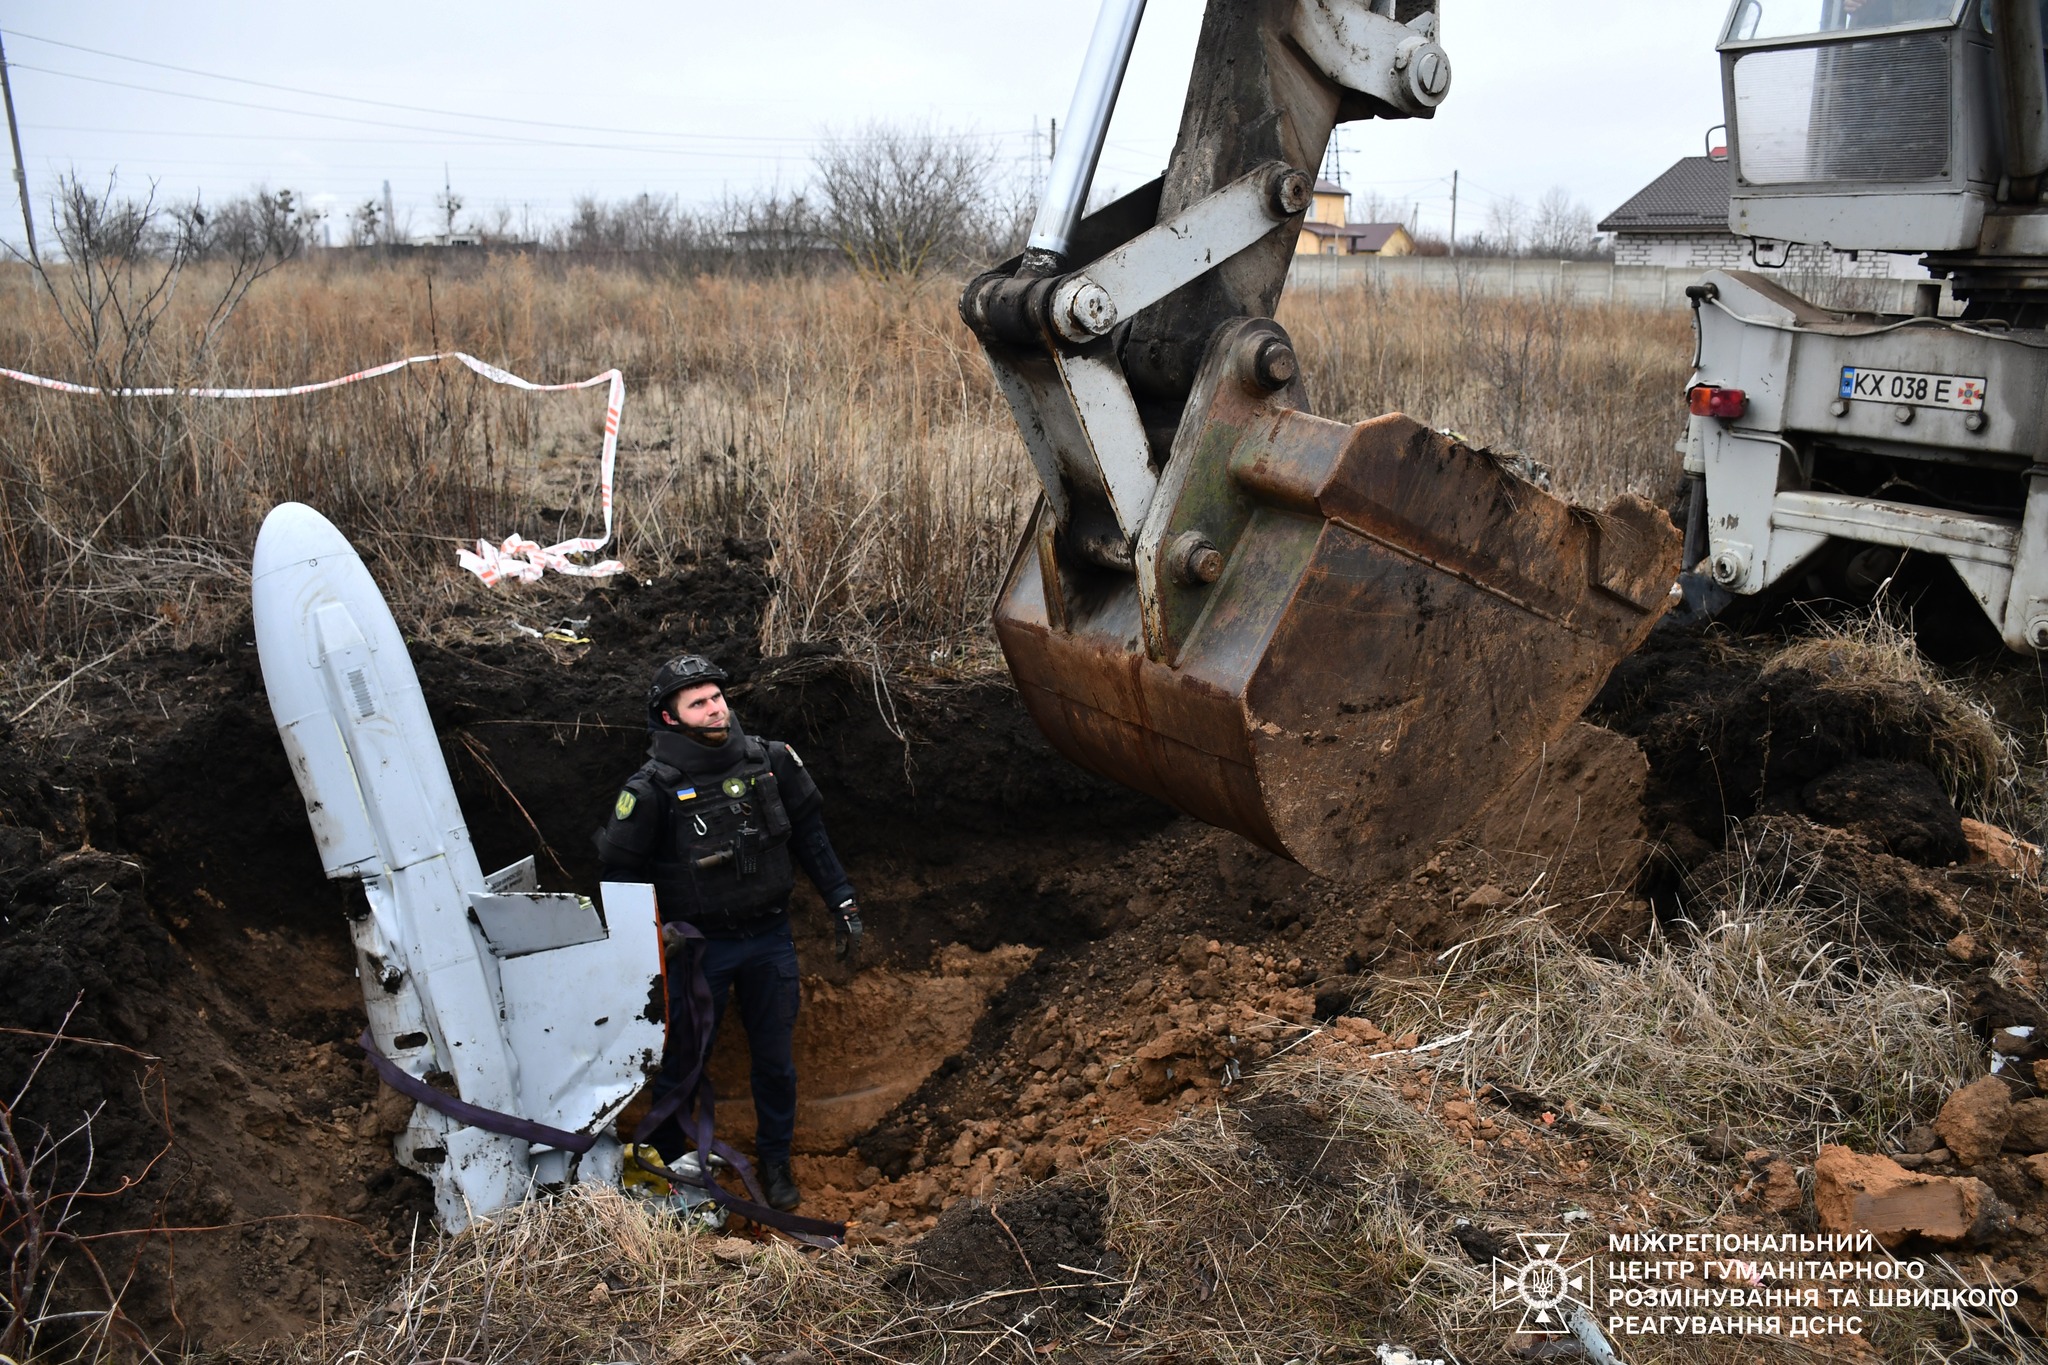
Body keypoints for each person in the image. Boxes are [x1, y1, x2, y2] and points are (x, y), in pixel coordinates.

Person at [594, 653, 861, 1211]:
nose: (714, 709)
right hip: (699, 949)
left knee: (775, 1060)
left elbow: (811, 836)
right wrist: (653, 937)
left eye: (716, 697)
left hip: (769, 939)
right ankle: (665, 1166)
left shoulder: (771, 760)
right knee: (685, 1062)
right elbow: (618, 875)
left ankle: (776, 1160)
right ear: (670, 718)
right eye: (698, 703)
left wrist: (842, 899)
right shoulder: (650, 791)